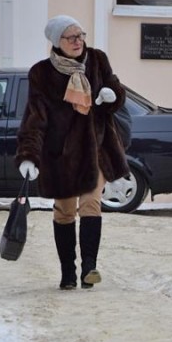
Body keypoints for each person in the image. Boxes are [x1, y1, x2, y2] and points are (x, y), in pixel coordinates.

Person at [16, 15, 128, 290]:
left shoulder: (98, 60)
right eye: (71, 37)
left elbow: (115, 88)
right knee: (65, 212)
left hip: (95, 148)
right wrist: (29, 155)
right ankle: (68, 271)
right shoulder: (41, 73)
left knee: (91, 204)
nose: (79, 42)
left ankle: (89, 266)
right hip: (61, 155)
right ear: (57, 42)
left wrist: (112, 95)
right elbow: (35, 117)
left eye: (81, 35)